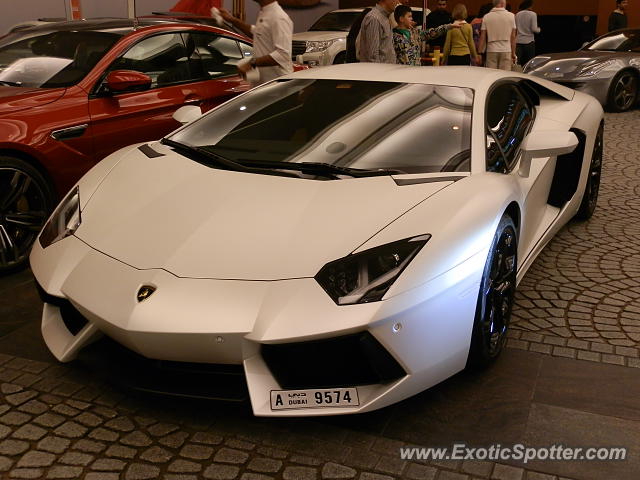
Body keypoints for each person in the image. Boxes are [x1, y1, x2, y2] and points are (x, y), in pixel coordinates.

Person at [220, 0, 293, 85]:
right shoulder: (266, 12)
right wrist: (232, 20)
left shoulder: (279, 18)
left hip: (277, 87)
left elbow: (283, 55)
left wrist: (251, 63)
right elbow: (256, 33)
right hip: (265, 85)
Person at [392, 5, 457, 65]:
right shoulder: (393, 35)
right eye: (409, 16)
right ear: (401, 19)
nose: (411, 18)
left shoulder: (415, 32)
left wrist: (448, 26)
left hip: (416, 71)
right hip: (402, 73)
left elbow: (432, 33)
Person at [478, 0, 516, 71]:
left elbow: (482, 36)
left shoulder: (486, 17)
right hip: (506, 50)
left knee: (491, 75)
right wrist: (513, 53)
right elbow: (513, 36)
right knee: (505, 76)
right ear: (502, 4)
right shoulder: (511, 16)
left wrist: (479, 53)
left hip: (491, 50)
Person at [515, 0, 540, 66]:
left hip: (518, 41)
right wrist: (539, 30)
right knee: (530, 63)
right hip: (529, 42)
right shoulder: (533, 14)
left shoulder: (517, 14)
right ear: (529, 6)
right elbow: (534, 29)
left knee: (517, 62)